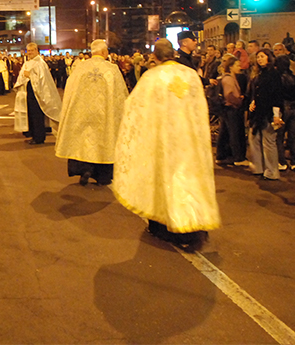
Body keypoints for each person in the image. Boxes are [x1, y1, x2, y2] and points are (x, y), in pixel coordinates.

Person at [112, 39, 220, 248]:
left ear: (155, 56)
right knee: (188, 180)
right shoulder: (191, 75)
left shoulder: (152, 77)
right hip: (189, 140)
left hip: (162, 141)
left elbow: (135, 109)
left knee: (164, 182)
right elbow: (200, 108)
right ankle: (193, 226)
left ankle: (166, 227)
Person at [56, 40, 128, 186]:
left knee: (84, 142)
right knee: (103, 141)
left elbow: (69, 90)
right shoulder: (112, 69)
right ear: (103, 52)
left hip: (83, 113)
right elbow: (121, 94)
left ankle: (84, 169)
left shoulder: (80, 68)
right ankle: (101, 175)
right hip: (104, 114)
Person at [13, 42, 62, 145]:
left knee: (37, 116)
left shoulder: (40, 63)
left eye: (31, 50)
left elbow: (42, 79)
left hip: (37, 93)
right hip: (29, 92)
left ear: (36, 51)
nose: (29, 52)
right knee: (31, 115)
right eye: (28, 51)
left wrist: (30, 75)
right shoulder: (29, 62)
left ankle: (39, 137)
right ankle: (34, 135)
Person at [246, 48, 283, 180]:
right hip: (258, 112)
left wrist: (276, 114)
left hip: (268, 112)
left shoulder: (274, 74)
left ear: (269, 58)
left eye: (262, 56)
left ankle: (272, 171)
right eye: (258, 57)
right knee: (254, 138)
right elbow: (258, 91)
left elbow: (277, 95)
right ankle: (259, 167)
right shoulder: (260, 74)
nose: (260, 59)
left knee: (269, 142)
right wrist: (253, 102)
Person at [215, 55, 250, 168]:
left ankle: (222, 156)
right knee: (235, 133)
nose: (239, 67)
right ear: (231, 67)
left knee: (225, 132)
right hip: (231, 108)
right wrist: (239, 101)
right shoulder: (229, 79)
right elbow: (229, 95)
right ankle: (237, 157)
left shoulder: (227, 77)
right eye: (237, 65)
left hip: (227, 109)